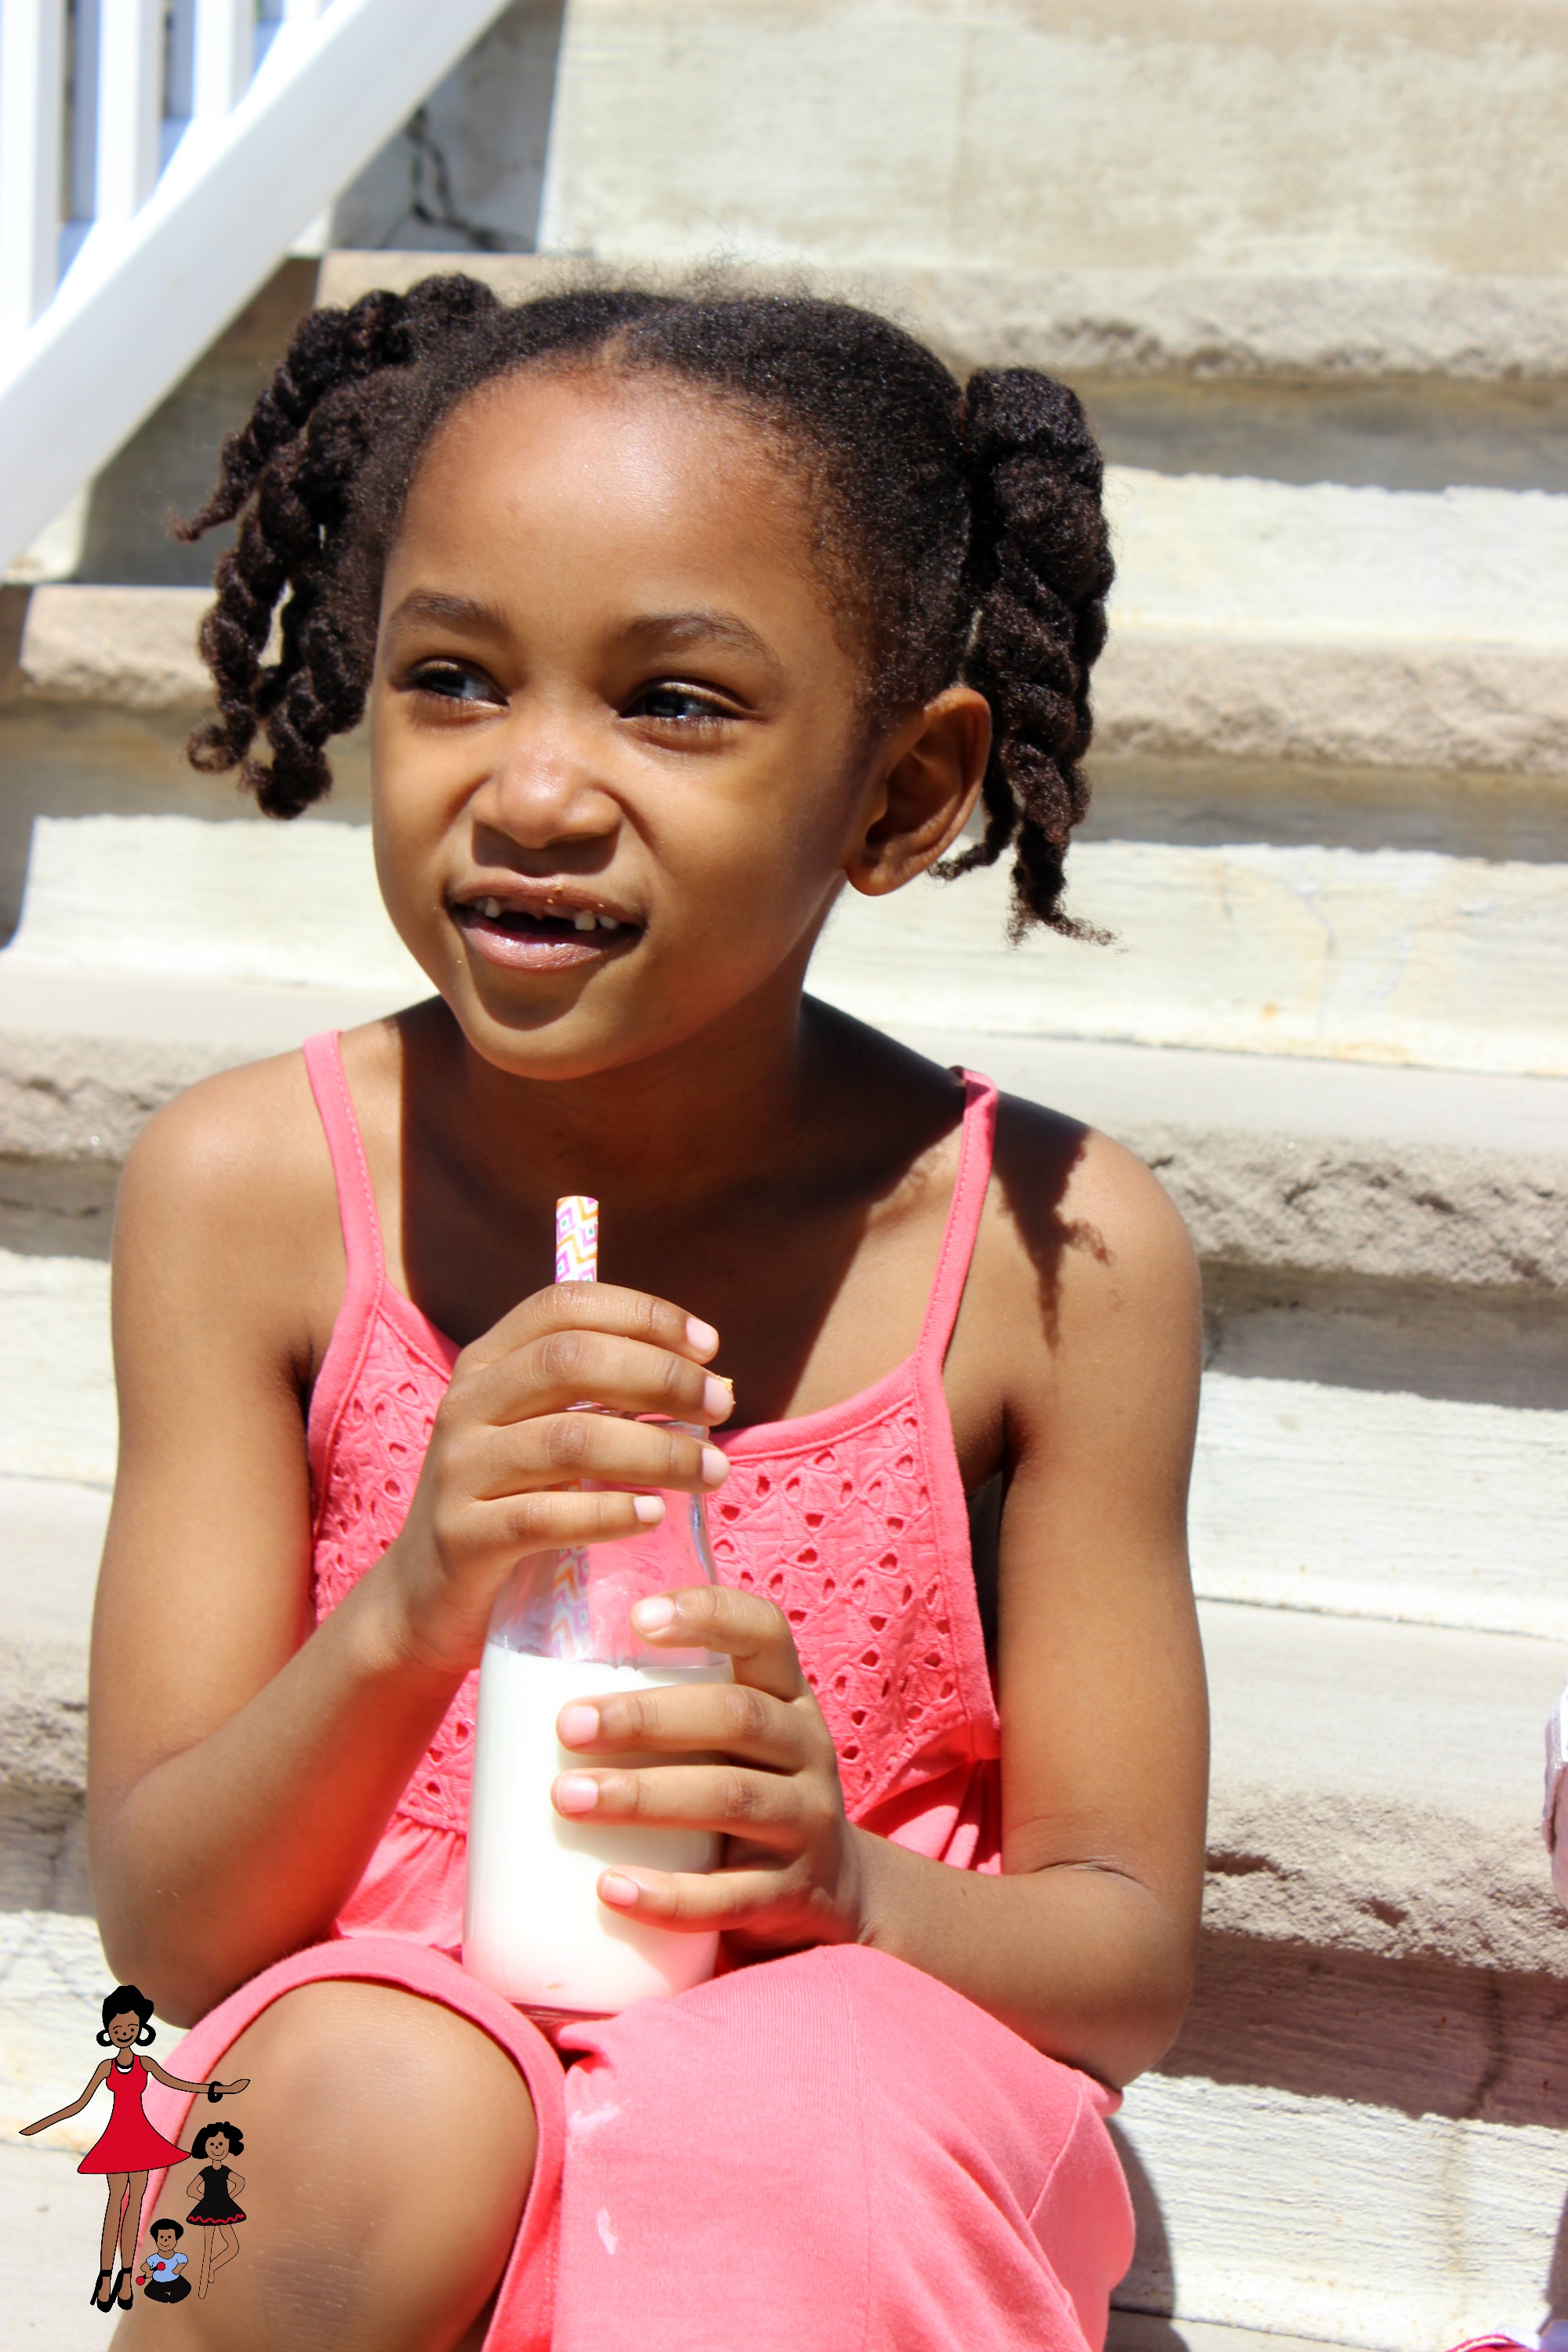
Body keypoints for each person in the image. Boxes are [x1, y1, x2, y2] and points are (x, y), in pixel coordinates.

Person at [92, 280, 1207, 2352]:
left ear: (900, 796)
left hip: (845, 2047)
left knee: (785, 2151)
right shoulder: (248, 1196)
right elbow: (161, 1922)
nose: (530, 789)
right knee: (343, 2111)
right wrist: (424, 1593)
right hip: (333, 2068)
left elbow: (1124, 1965)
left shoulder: (1056, 1258)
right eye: (450, 677)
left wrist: (842, 1878)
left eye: (673, 701)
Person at [18, 1984, 246, 2313]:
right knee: (116, 2206)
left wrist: (215, 2088)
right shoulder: (106, 2068)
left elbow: (177, 2082)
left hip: (140, 2136)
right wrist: (42, 2123)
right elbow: (80, 2104)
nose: (124, 2033)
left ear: (140, 2030)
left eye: (130, 2027)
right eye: (117, 2028)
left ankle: (126, 2276)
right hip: (117, 2137)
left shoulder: (145, 2063)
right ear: (108, 2031)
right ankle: (105, 2276)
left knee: (133, 2207)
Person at [184, 2122, 248, 2296]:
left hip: (219, 2207)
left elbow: (240, 2182)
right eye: (212, 2144)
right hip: (211, 2208)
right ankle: (203, 2283)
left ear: (229, 2146)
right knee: (208, 2247)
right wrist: (207, 2200)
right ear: (205, 2146)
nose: (217, 2148)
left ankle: (210, 2268)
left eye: (221, 2145)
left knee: (230, 2246)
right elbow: (191, 2190)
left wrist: (227, 2199)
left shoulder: (225, 2170)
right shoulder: (206, 2171)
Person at [136, 2218, 191, 2303]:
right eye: (162, 2237)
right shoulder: (154, 2258)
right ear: (156, 2241)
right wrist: (148, 2271)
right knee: (148, 2291)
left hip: (175, 2280)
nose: (165, 2240)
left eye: (169, 2237)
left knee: (186, 2287)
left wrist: (177, 2270)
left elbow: (184, 2261)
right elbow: (144, 2266)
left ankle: (174, 2298)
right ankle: (165, 2298)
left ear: (176, 2240)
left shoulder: (178, 2256)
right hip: (158, 2282)